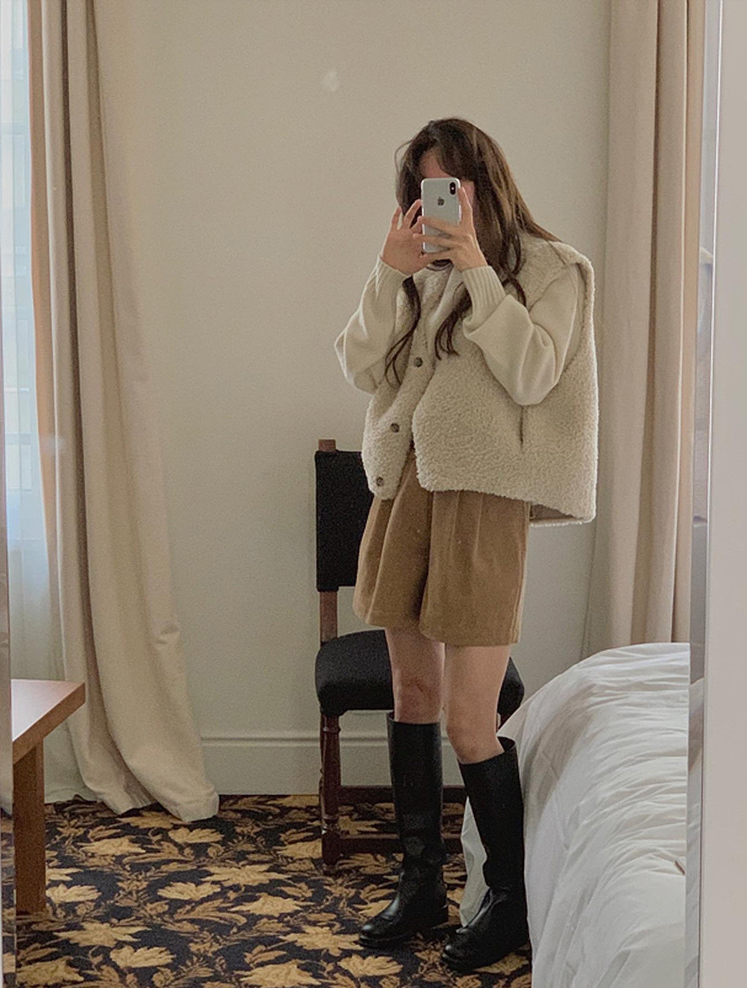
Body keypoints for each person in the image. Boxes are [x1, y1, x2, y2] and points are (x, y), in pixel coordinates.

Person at [334, 117, 598, 973]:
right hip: (404, 485)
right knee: (411, 691)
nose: (440, 199)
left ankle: (508, 900)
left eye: (452, 181)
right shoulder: (416, 271)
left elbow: (533, 373)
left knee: (469, 718)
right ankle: (421, 886)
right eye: (425, 185)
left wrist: (480, 270)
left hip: (483, 499)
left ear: (487, 180)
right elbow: (360, 367)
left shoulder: (553, 269)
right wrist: (389, 272)